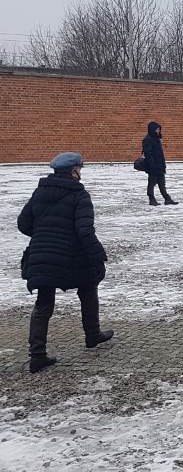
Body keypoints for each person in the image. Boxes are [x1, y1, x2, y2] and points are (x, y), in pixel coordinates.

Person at [19, 152, 113, 373]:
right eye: (79, 169)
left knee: (44, 304)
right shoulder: (80, 196)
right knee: (88, 289)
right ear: (73, 172)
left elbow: (23, 223)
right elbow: (85, 231)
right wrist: (98, 255)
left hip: (42, 254)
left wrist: (45, 234)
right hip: (72, 255)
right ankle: (92, 335)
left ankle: (37, 355)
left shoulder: (39, 192)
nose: (80, 173)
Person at [142, 122, 178, 206]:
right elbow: (148, 154)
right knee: (151, 183)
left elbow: (160, 154)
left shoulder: (156, 138)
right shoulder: (148, 139)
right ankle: (151, 199)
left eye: (159, 129)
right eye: (157, 129)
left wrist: (162, 165)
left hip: (160, 165)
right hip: (153, 166)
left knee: (162, 183)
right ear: (152, 129)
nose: (158, 131)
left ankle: (167, 199)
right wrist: (152, 166)